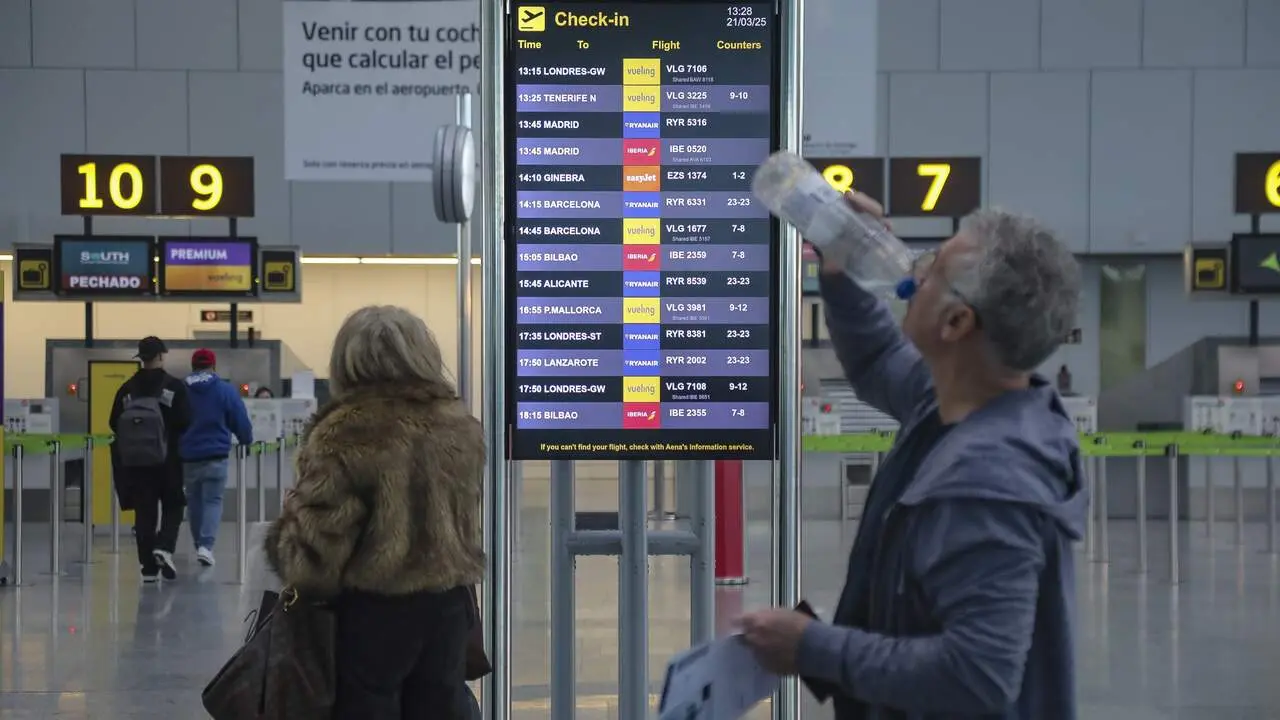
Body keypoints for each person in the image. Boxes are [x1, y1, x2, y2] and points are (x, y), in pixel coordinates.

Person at [739, 194, 1089, 719]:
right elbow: (880, 358)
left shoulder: (988, 479)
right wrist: (840, 273)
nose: (910, 273)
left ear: (955, 323)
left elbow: (978, 674)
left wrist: (812, 647)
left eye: (930, 270)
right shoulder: (966, 405)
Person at [264, 306, 485, 719]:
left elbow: (313, 560)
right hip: (449, 610)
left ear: (348, 361)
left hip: (372, 617)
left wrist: (285, 534)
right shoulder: (461, 429)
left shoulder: (344, 433)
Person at [109, 336, 191, 583]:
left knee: (144, 512)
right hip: (168, 459)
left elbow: (113, 422)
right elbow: (186, 419)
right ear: (161, 356)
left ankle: (147, 568)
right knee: (174, 504)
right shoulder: (174, 386)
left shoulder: (127, 388)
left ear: (140, 358)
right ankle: (164, 547)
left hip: (136, 463)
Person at [179, 348, 254, 568]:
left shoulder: (182, 389)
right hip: (216, 455)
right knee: (213, 500)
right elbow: (239, 419)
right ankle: (206, 546)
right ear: (213, 366)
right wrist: (245, 440)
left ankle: (198, 544)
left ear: (193, 366)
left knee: (193, 502)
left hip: (189, 455)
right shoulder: (224, 390)